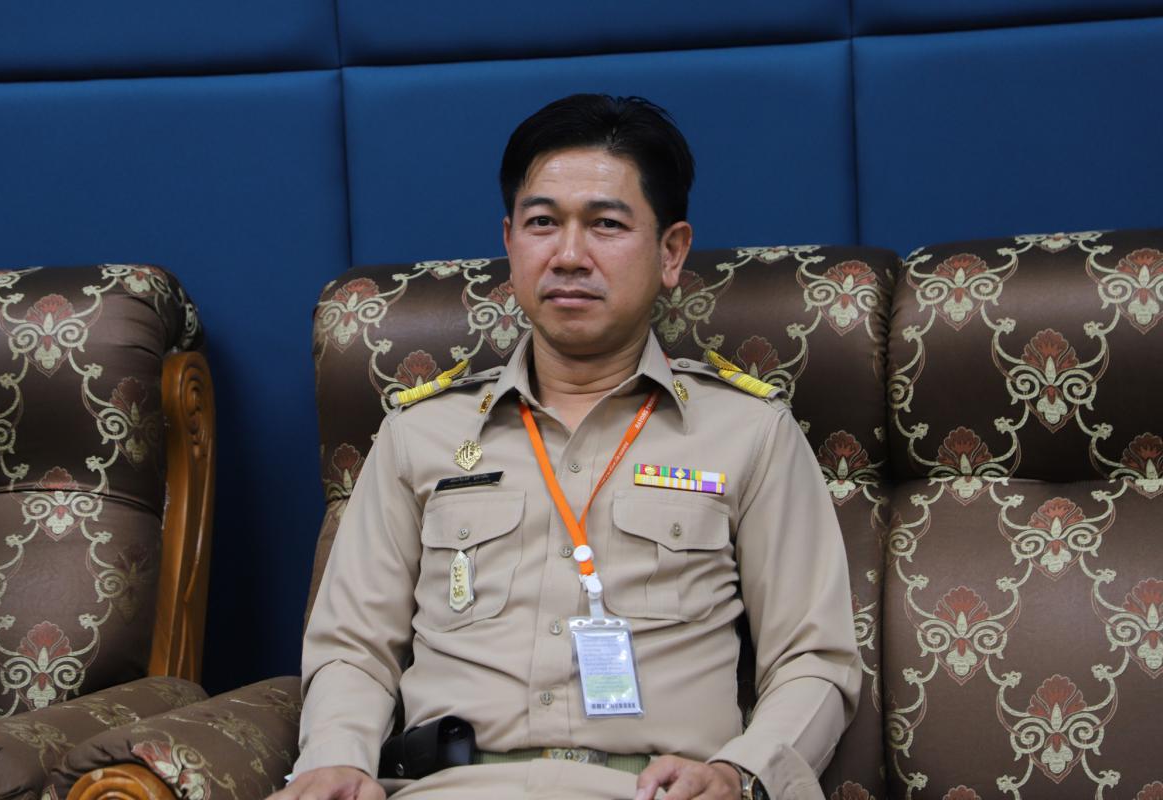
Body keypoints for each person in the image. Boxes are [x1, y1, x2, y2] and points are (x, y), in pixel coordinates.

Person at [271, 94, 861, 800]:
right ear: (510, 243)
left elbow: (814, 659)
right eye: (543, 223)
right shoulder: (419, 432)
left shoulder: (748, 432)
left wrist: (739, 773)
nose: (570, 255)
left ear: (671, 252)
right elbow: (353, 647)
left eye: (606, 224)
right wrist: (338, 761)